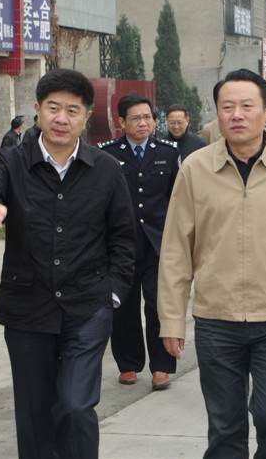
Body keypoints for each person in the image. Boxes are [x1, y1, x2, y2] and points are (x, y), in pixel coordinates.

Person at [157, 69, 266, 458]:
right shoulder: (195, 169)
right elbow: (175, 253)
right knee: (225, 428)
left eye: (247, 106)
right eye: (227, 107)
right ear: (216, 114)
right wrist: (170, 320)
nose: (236, 114)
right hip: (216, 320)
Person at [0, 69, 136, 459]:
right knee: (34, 414)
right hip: (28, 307)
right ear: (38, 110)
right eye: (53, 108)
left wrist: (112, 293)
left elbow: (124, 238)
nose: (62, 118)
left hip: (88, 305)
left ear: (86, 117)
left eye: (72, 110)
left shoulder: (106, 168)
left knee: (76, 407)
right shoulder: (11, 161)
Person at [100, 93, 179, 390]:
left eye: (148, 117)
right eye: (136, 118)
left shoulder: (168, 153)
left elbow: (177, 199)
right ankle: (129, 364)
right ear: (122, 122)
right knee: (124, 306)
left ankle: (161, 366)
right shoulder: (108, 154)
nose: (143, 123)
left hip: (159, 244)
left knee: (159, 304)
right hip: (122, 244)